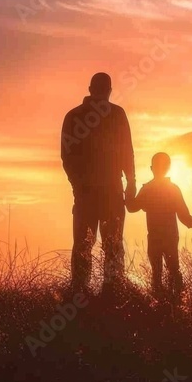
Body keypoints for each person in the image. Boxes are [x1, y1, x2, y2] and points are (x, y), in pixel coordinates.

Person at [61, 72, 136, 292]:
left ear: (90, 89)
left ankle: (80, 292)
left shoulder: (73, 116)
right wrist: (131, 182)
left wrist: (78, 186)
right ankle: (112, 290)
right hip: (110, 192)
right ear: (109, 90)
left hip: (87, 194)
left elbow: (67, 158)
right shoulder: (117, 114)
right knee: (112, 245)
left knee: (84, 245)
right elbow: (127, 154)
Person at [127, 152, 192, 297]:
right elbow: (184, 216)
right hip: (169, 236)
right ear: (168, 168)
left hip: (155, 238)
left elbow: (131, 207)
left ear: (152, 168)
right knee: (173, 269)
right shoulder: (173, 189)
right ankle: (177, 301)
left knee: (157, 272)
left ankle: (162, 302)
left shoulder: (148, 189)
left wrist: (130, 185)